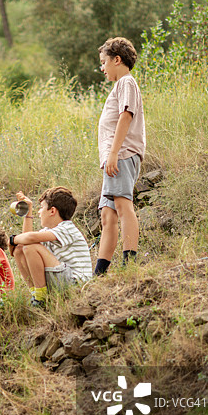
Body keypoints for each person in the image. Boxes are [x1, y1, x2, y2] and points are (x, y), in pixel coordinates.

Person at [94, 36, 146, 276]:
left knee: (123, 206)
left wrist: (114, 153)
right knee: (108, 214)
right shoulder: (119, 85)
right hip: (112, 159)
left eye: (104, 62)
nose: (102, 68)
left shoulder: (126, 82)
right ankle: (101, 270)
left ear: (117, 59)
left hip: (121, 155)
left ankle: (130, 262)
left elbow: (126, 116)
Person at [10, 186, 92, 308]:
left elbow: (30, 239)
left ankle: (41, 298)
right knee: (19, 250)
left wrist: (12, 239)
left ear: (52, 211)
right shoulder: (49, 231)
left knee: (30, 247)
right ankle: (36, 293)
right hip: (60, 278)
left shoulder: (67, 228)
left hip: (75, 283)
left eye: (41, 208)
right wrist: (28, 212)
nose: (39, 212)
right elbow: (25, 241)